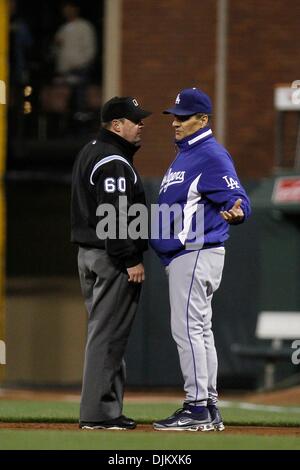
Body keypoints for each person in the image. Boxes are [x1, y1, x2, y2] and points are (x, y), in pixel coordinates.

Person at [150, 87, 251, 432]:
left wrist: (237, 212)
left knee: (188, 330)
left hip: (195, 251)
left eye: (183, 117)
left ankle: (196, 409)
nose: (175, 122)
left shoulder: (209, 154)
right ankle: (208, 406)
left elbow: (237, 196)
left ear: (203, 119)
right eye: (174, 116)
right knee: (200, 331)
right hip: (188, 255)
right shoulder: (186, 155)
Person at [71, 96, 151, 430]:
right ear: (116, 125)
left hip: (90, 254)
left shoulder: (91, 149)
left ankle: (109, 409)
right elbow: (114, 215)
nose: (141, 124)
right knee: (107, 336)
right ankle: (97, 415)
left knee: (107, 334)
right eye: (135, 120)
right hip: (110, 257)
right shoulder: (113, 159)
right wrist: (129, 257)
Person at [53, 1, 97, 111]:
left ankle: (80, 124)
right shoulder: (62, 29)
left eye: (70, 8)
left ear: (76, 10)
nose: (67, 11)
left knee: (80, 103)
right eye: (65, 9)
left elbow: (90, 49)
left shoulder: (84, 26)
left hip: (80, 70)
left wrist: (81, 64)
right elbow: (55, 50)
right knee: (63, 104)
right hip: (64, 72)